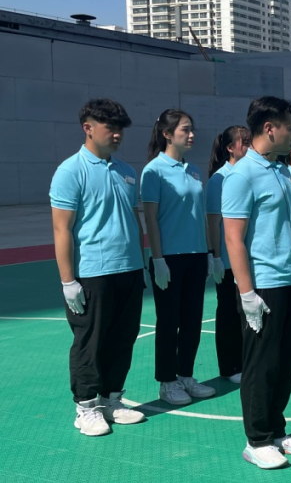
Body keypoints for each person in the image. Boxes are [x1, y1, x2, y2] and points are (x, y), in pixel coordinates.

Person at [222, 96, 291, 469]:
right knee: (262, 364)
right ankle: (257, 440)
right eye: (289, 127)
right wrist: (247, 293)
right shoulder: (242, 174)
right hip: (265, 285)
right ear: (269, 128)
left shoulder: (282, 171)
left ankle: (276, 430)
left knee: (287, 362)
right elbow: (234, 238)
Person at [50, 99, 148, 437]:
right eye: (110, 127)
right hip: (93, 273)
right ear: (88, 128)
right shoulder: (70, 171)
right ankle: (86, 407)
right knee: (90, 342)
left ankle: (111, 399)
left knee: (123, 338)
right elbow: (62, 229)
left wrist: (142, 262)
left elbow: (133, 221)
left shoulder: (126, 171)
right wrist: (68, 281)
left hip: (129, 270)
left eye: (120, 128)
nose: (117, 134)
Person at [141, 109, 216, 405]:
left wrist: (209, 253)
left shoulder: (193, 170)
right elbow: (151, 218)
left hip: (196, 257)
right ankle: (167, 381)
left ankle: (185, 375)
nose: (192, 134)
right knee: (168, 321)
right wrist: (157, 258)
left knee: (192, 320)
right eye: (186, 129)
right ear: (167, 134)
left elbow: (200, 216)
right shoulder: (154, 171)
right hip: (169, 259)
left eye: (192, 129)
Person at [206, 125, 251, 384]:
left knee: (244, 312)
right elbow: (214, 222)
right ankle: (230, 366)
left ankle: (244, 360)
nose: (248, 145)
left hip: (245, 257)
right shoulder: (219, 180)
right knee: (229, 311)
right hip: (227, 258)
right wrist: (215, 256)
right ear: (230, 148)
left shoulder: (247, 174)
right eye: (243, 141)